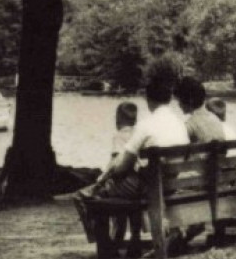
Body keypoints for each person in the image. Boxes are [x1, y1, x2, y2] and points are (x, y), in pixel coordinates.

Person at [82, 69, 191, 201]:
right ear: (169, 99)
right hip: (171, 185)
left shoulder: (145, 125)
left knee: (93, 194)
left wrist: (108, 174)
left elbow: (123, 167)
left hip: (148, 188)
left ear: (148, 99)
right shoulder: (180, 125)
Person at [177, 77, 228, 145]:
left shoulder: (190, 125)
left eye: (179, 100)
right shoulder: (215, 119)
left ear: (190, 100)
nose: (179, 105)